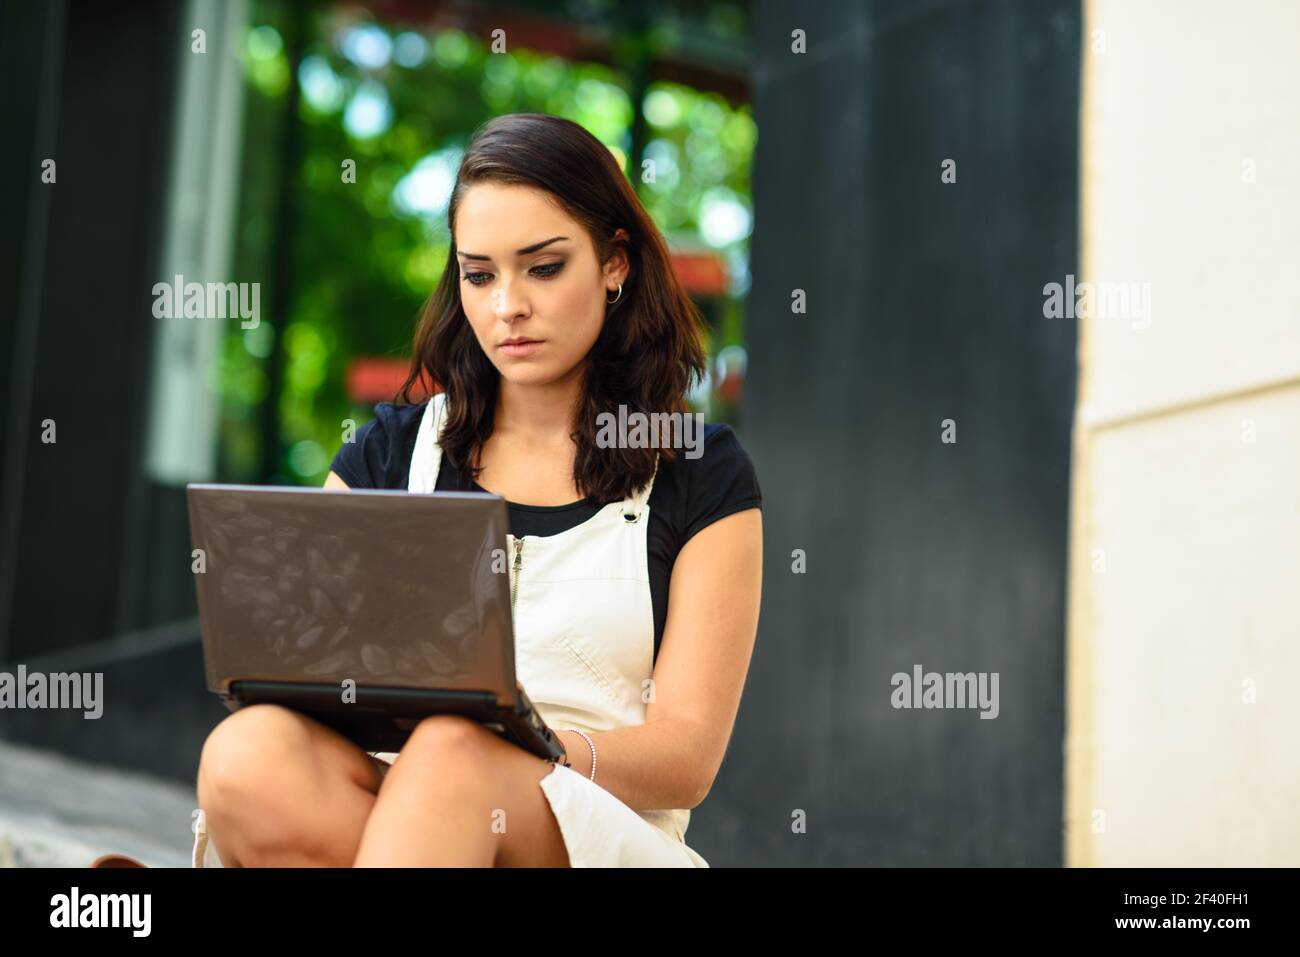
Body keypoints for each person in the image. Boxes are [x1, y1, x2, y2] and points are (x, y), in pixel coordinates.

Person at [193, 112, 763, 867]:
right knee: (247, 752)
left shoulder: (699, 468)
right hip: (403, 813)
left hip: (593, 828)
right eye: (480, 273)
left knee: (454, 759)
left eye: (544, 267)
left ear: (614, 263)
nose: (508, 307)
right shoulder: (390, 453)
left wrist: (522, 748)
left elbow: (689, 756)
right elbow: (300, 667)